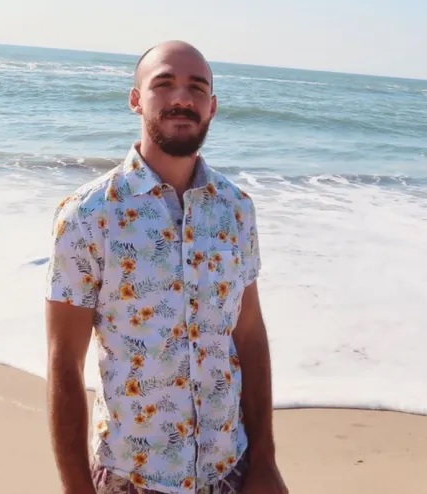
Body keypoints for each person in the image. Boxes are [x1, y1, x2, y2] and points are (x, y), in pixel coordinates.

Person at [45, 40, 288, 494]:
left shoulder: (236, 209)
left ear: (212, 106)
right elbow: (64, 364)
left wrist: (264, 459)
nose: (182, 98)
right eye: (164, 84)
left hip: (230, 470)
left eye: (197, 88)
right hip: (131, 478)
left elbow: (250, 335)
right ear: (136, 99)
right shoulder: (89, 214)